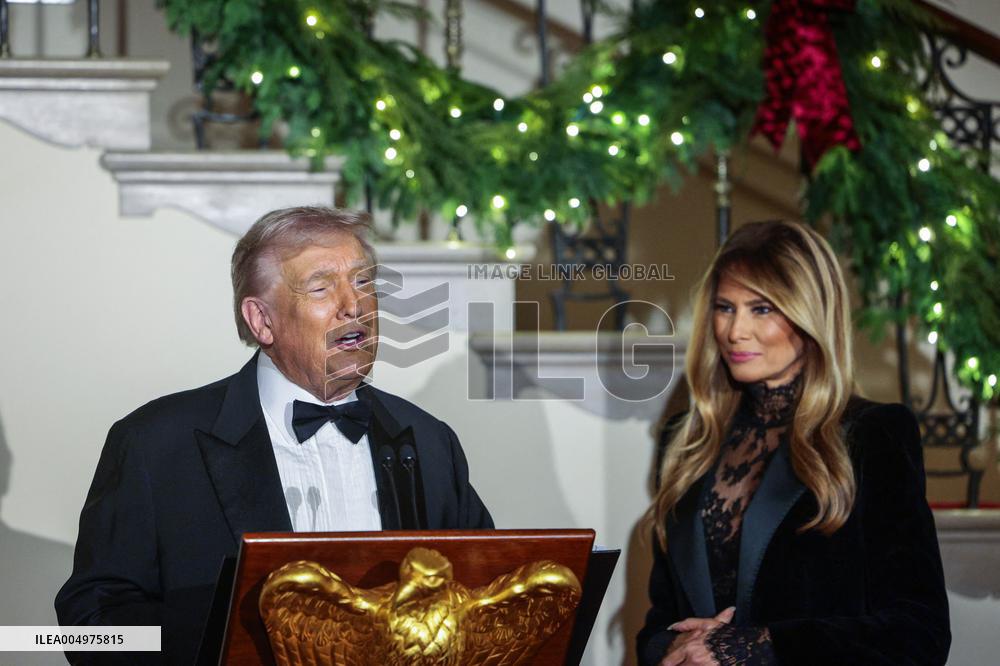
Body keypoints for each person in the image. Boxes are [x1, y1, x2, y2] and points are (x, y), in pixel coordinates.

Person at [55, 206, 493, 664]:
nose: (354, 305)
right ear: (261, 320)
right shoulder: (155, 445)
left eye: (364, 283)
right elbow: (90, 625)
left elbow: (480, 600)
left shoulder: (428, 441)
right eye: (322, 287)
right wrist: (227, 640)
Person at [637, 221, 950, 665]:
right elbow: (660, 622)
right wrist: (668, 649)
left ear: (809, 316)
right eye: (725, 308)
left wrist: (757, 646)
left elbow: (919, 632)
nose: (734, 331)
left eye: (762, 309)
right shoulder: (688, 441)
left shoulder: (871, 434)